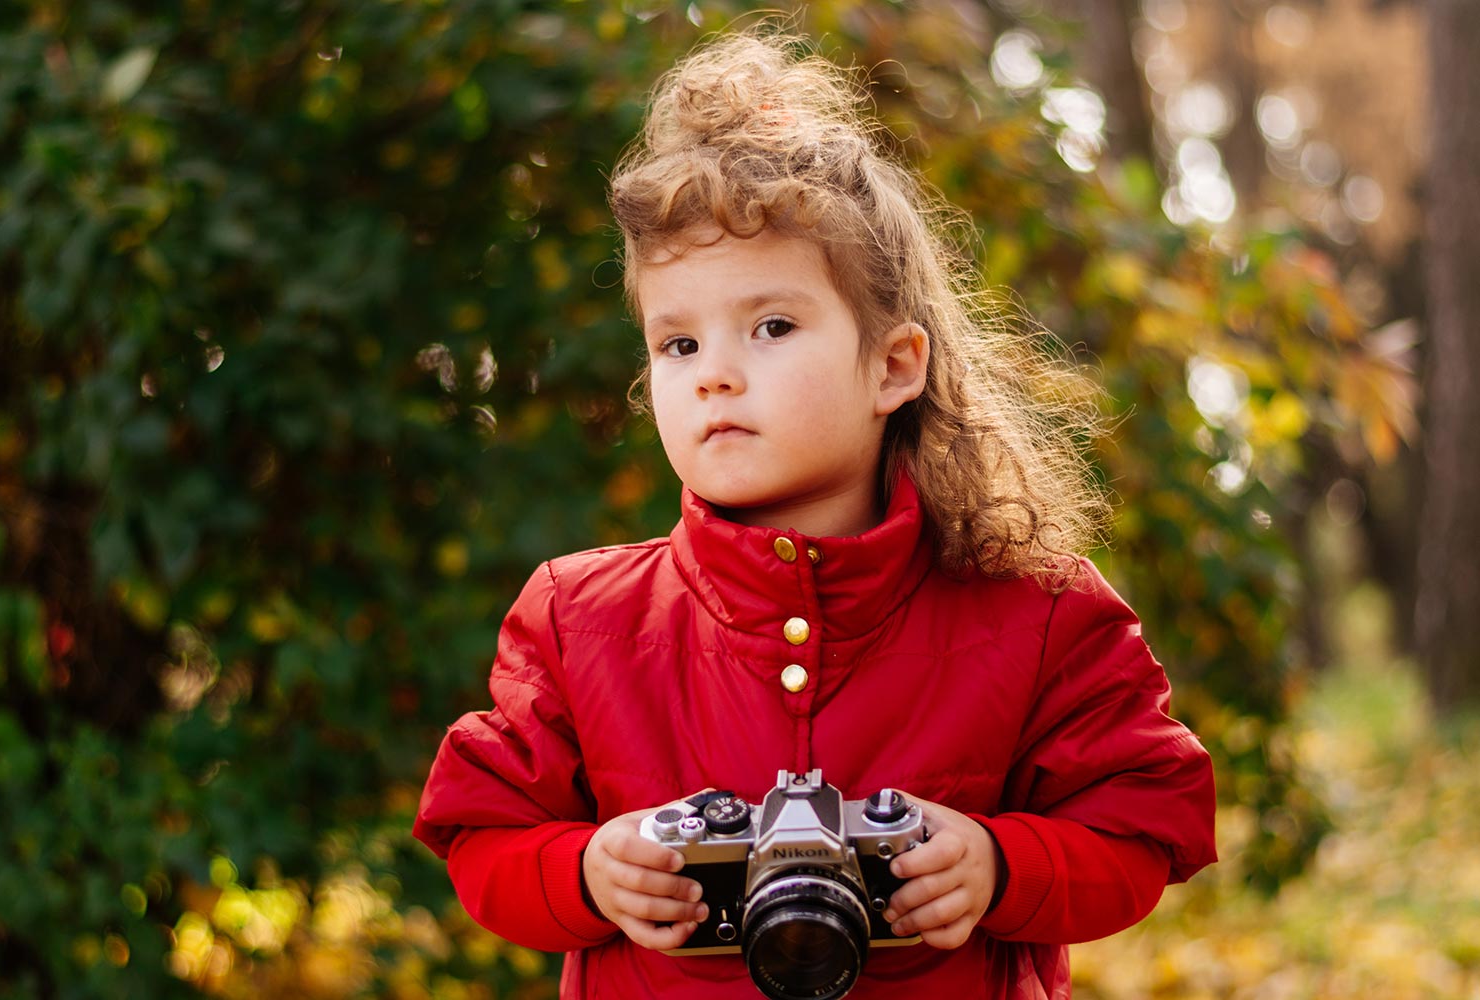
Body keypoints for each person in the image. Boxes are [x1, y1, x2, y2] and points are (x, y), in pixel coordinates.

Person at [413, 25, 1216, 1000]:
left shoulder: (1037, 612)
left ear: (893, 366)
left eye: (772, 325)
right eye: (676, 344)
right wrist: (587, 872)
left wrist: (1001, 866)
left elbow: (1144, 826)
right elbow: (481, 836)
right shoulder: (581, 621)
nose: (715, 373)